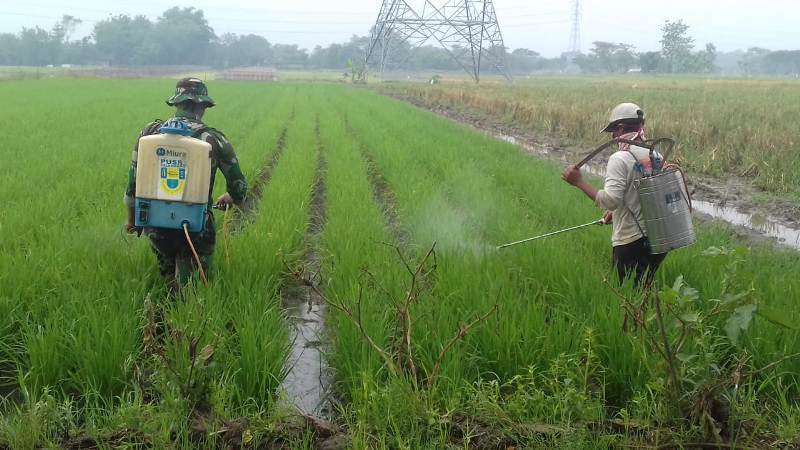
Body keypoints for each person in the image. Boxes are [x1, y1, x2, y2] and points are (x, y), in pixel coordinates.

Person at [124, 78, 248, 288]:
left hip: (155, 224)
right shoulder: (214, 139)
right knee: (192, 287)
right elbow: (239, 186)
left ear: (177, 103)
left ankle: (163, 305)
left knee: (167, 274)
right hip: (196, 227)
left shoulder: (149, 133)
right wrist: (233, 198)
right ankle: (184, 310)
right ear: (203, 106)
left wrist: (132, 220)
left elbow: (132, 186)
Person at [561, 102, 666, 287]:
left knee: (627, 294)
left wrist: (578, 182)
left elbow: (611, 201)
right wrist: (616, 213)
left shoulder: (620, 158)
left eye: (613, 130)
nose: (612, 136)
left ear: (620, 128)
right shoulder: (655, 154)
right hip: (658, 238)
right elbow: (644, 194)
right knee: (644, 288)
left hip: (632, 241)